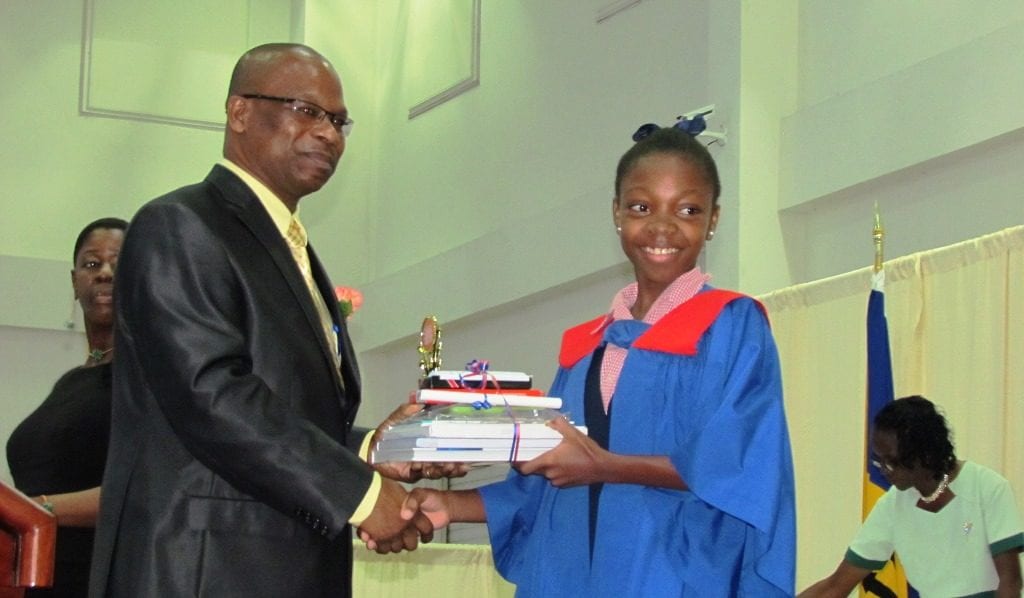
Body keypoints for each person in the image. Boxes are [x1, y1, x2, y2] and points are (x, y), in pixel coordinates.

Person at [88, 43, 436, 598]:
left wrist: (378, 452)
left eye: (340, 121)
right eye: (307, 110)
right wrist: (364, 496)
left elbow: (284, 412)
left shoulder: (291, 248)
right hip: (201, 571)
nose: (329, 134)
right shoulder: (179, 226)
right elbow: (212, 397)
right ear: (239, 112)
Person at [394, 126, 797, 595]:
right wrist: (455, 506)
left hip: (673, 572)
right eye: (641, 207)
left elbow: (739, 464)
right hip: (570, 575)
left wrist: (604, 466)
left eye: (688, 210)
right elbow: (544, 481)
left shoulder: (731, 326)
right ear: (617, 213)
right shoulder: (586, 347)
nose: (662, 227)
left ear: (713, 220)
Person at [6, 217, 126, 597]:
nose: (105, 274)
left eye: (119, 263)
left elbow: (144, 491)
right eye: (92, 264)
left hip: (102, 580)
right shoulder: (71, 381)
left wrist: (36, 510)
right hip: (38, 576)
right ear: (74, 282)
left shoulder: (149, 377)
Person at [799, 395, 1024, 597]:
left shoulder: (986, 488)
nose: (883, 469)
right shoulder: (892, 504)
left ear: (925, 453)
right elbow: (836, 586)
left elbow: (1010, 582)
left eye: (892, 461)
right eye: (878, 460)